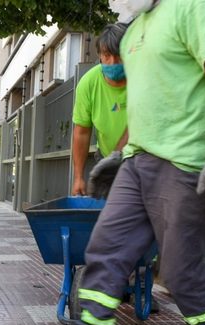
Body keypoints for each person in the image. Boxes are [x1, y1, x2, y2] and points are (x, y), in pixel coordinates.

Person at [32, 0, 205, 325]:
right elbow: (144, 104)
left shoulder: (195, 6)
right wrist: (119, 153)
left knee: (179, 270)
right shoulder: (137, 24)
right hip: (136, 161)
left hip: (180, 163)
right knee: (105, 245)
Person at [70, 23, 129, 198]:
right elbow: (81, 132)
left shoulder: (142, 76)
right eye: (107, 55)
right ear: (100, 56)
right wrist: (79, 177)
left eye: (120, 56)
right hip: (107, 160)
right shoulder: (88, 83)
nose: (113, 62)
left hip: (142, 159)